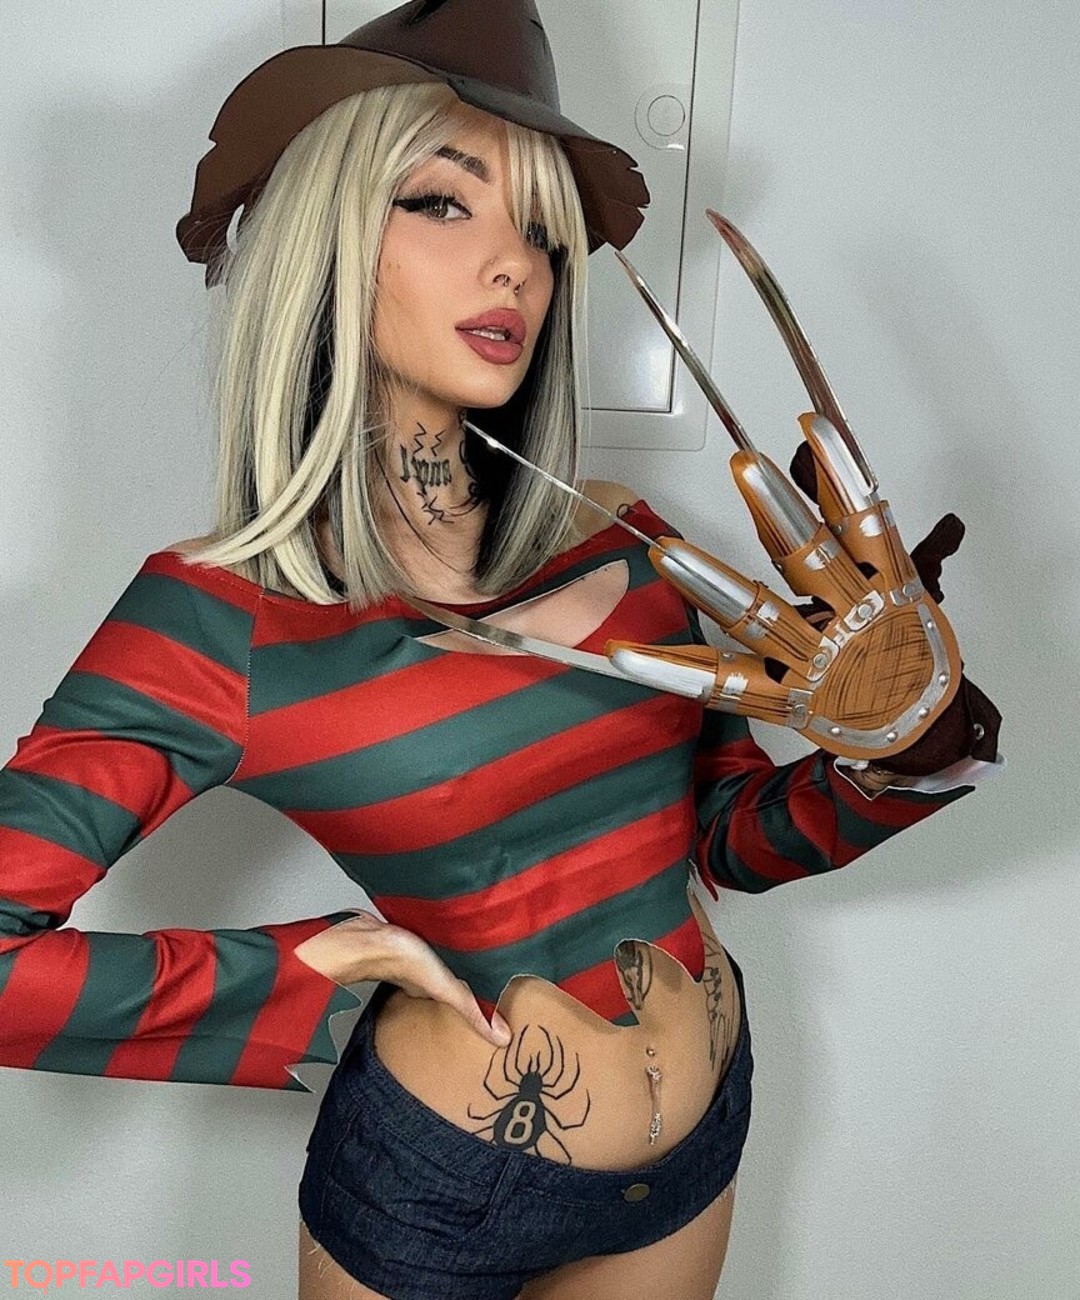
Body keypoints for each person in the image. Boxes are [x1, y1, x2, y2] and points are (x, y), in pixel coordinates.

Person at [0, 2, 1003, 1297]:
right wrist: (322, 966)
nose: (514, 264)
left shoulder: (629, 544)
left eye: (539, 227)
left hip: (699, 1146)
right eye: (442, 202)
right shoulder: (217, 620)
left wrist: (901, 759)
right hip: (441, 1198)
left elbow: (717, 840)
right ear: (324, 240)